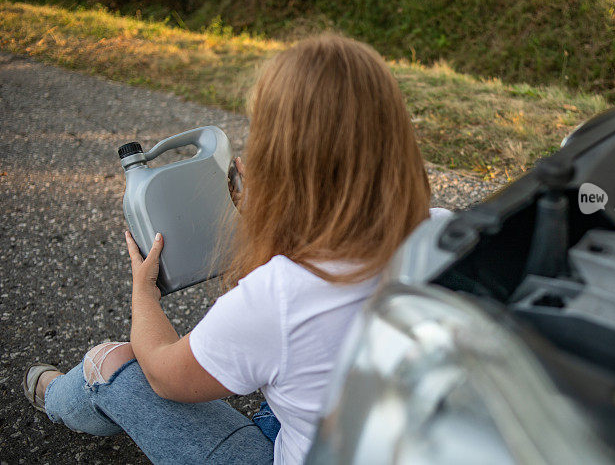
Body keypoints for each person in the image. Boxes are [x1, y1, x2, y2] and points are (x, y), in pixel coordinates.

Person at [22, 35, 447, 464]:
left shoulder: (275, 296)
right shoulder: (449, 232)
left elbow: (163, 375)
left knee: (109, 362)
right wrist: (275, 226)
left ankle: (59, 397)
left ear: (277, 155)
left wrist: (143, 294)